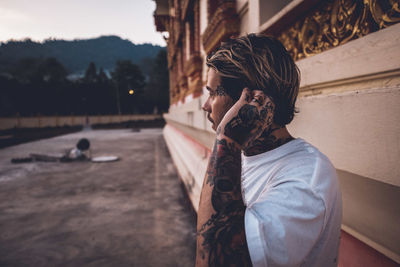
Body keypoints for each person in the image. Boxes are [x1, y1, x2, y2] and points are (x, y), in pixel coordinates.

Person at [196, 34, 342, 267]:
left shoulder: (308, 176)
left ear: (251, 101)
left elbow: (214, 260)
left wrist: (227, 139)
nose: (205, 105)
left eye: (214, 93)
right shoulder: (239, 155)